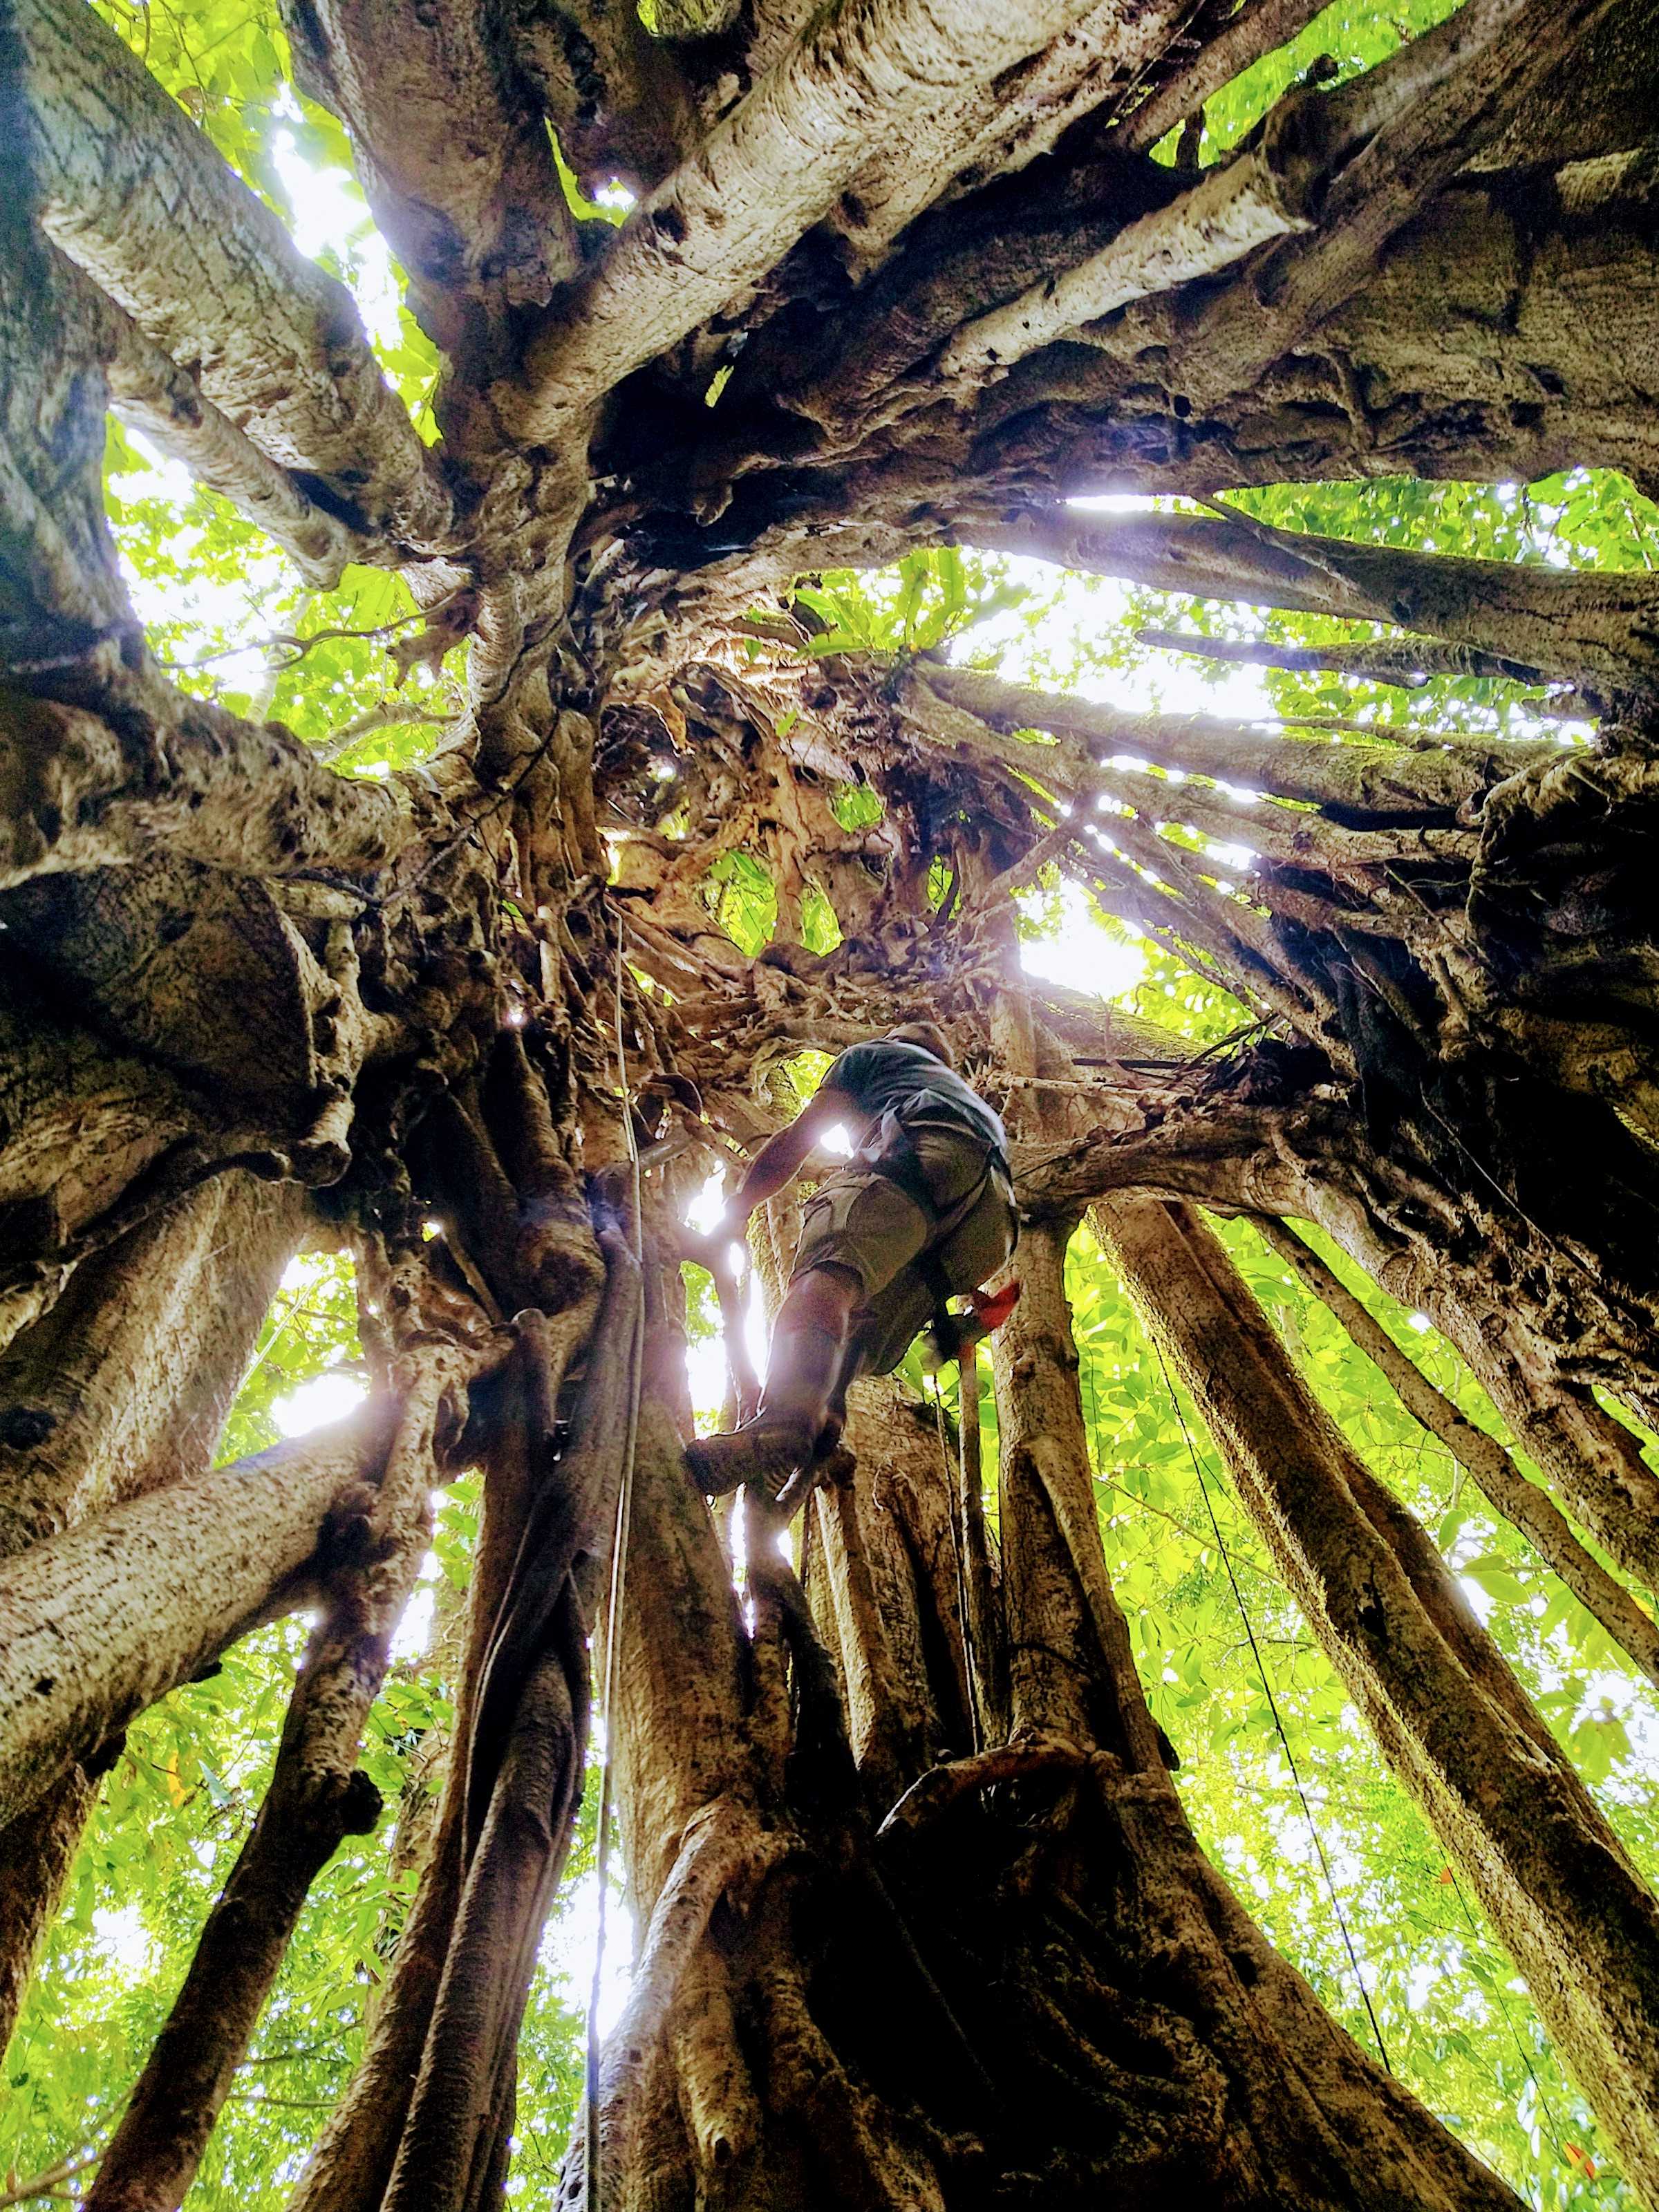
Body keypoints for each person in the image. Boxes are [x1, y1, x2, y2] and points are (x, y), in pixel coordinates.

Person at [686, 1022, 1019, 1505]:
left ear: (894, 1037)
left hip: (920, 1156)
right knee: (858, 1325)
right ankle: (822, 1422)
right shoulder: (968, 1097)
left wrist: (735, 1211)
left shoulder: (873, 1056)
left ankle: (785, 1420)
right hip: (992, 1228)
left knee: (829, 1276)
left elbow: (799, 1139)